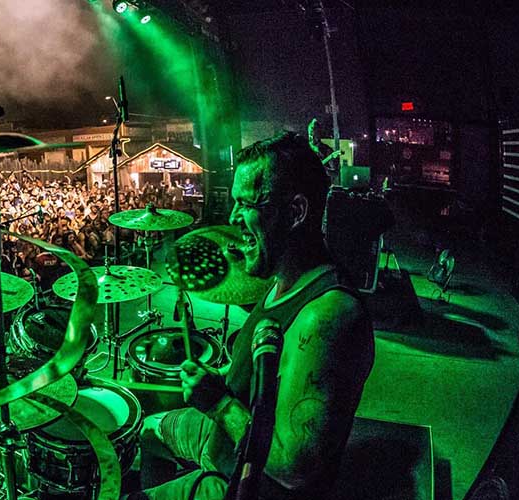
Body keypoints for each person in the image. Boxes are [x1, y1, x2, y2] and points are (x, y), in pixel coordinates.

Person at [134, 133, 375, 499]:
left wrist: (219, 403)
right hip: (229, 440)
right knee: (146, 430)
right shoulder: (282, 280)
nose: (232, 218)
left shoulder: (326, 317)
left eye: (245, 204)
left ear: (295, 212)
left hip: (249, 485)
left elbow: (291, 468)